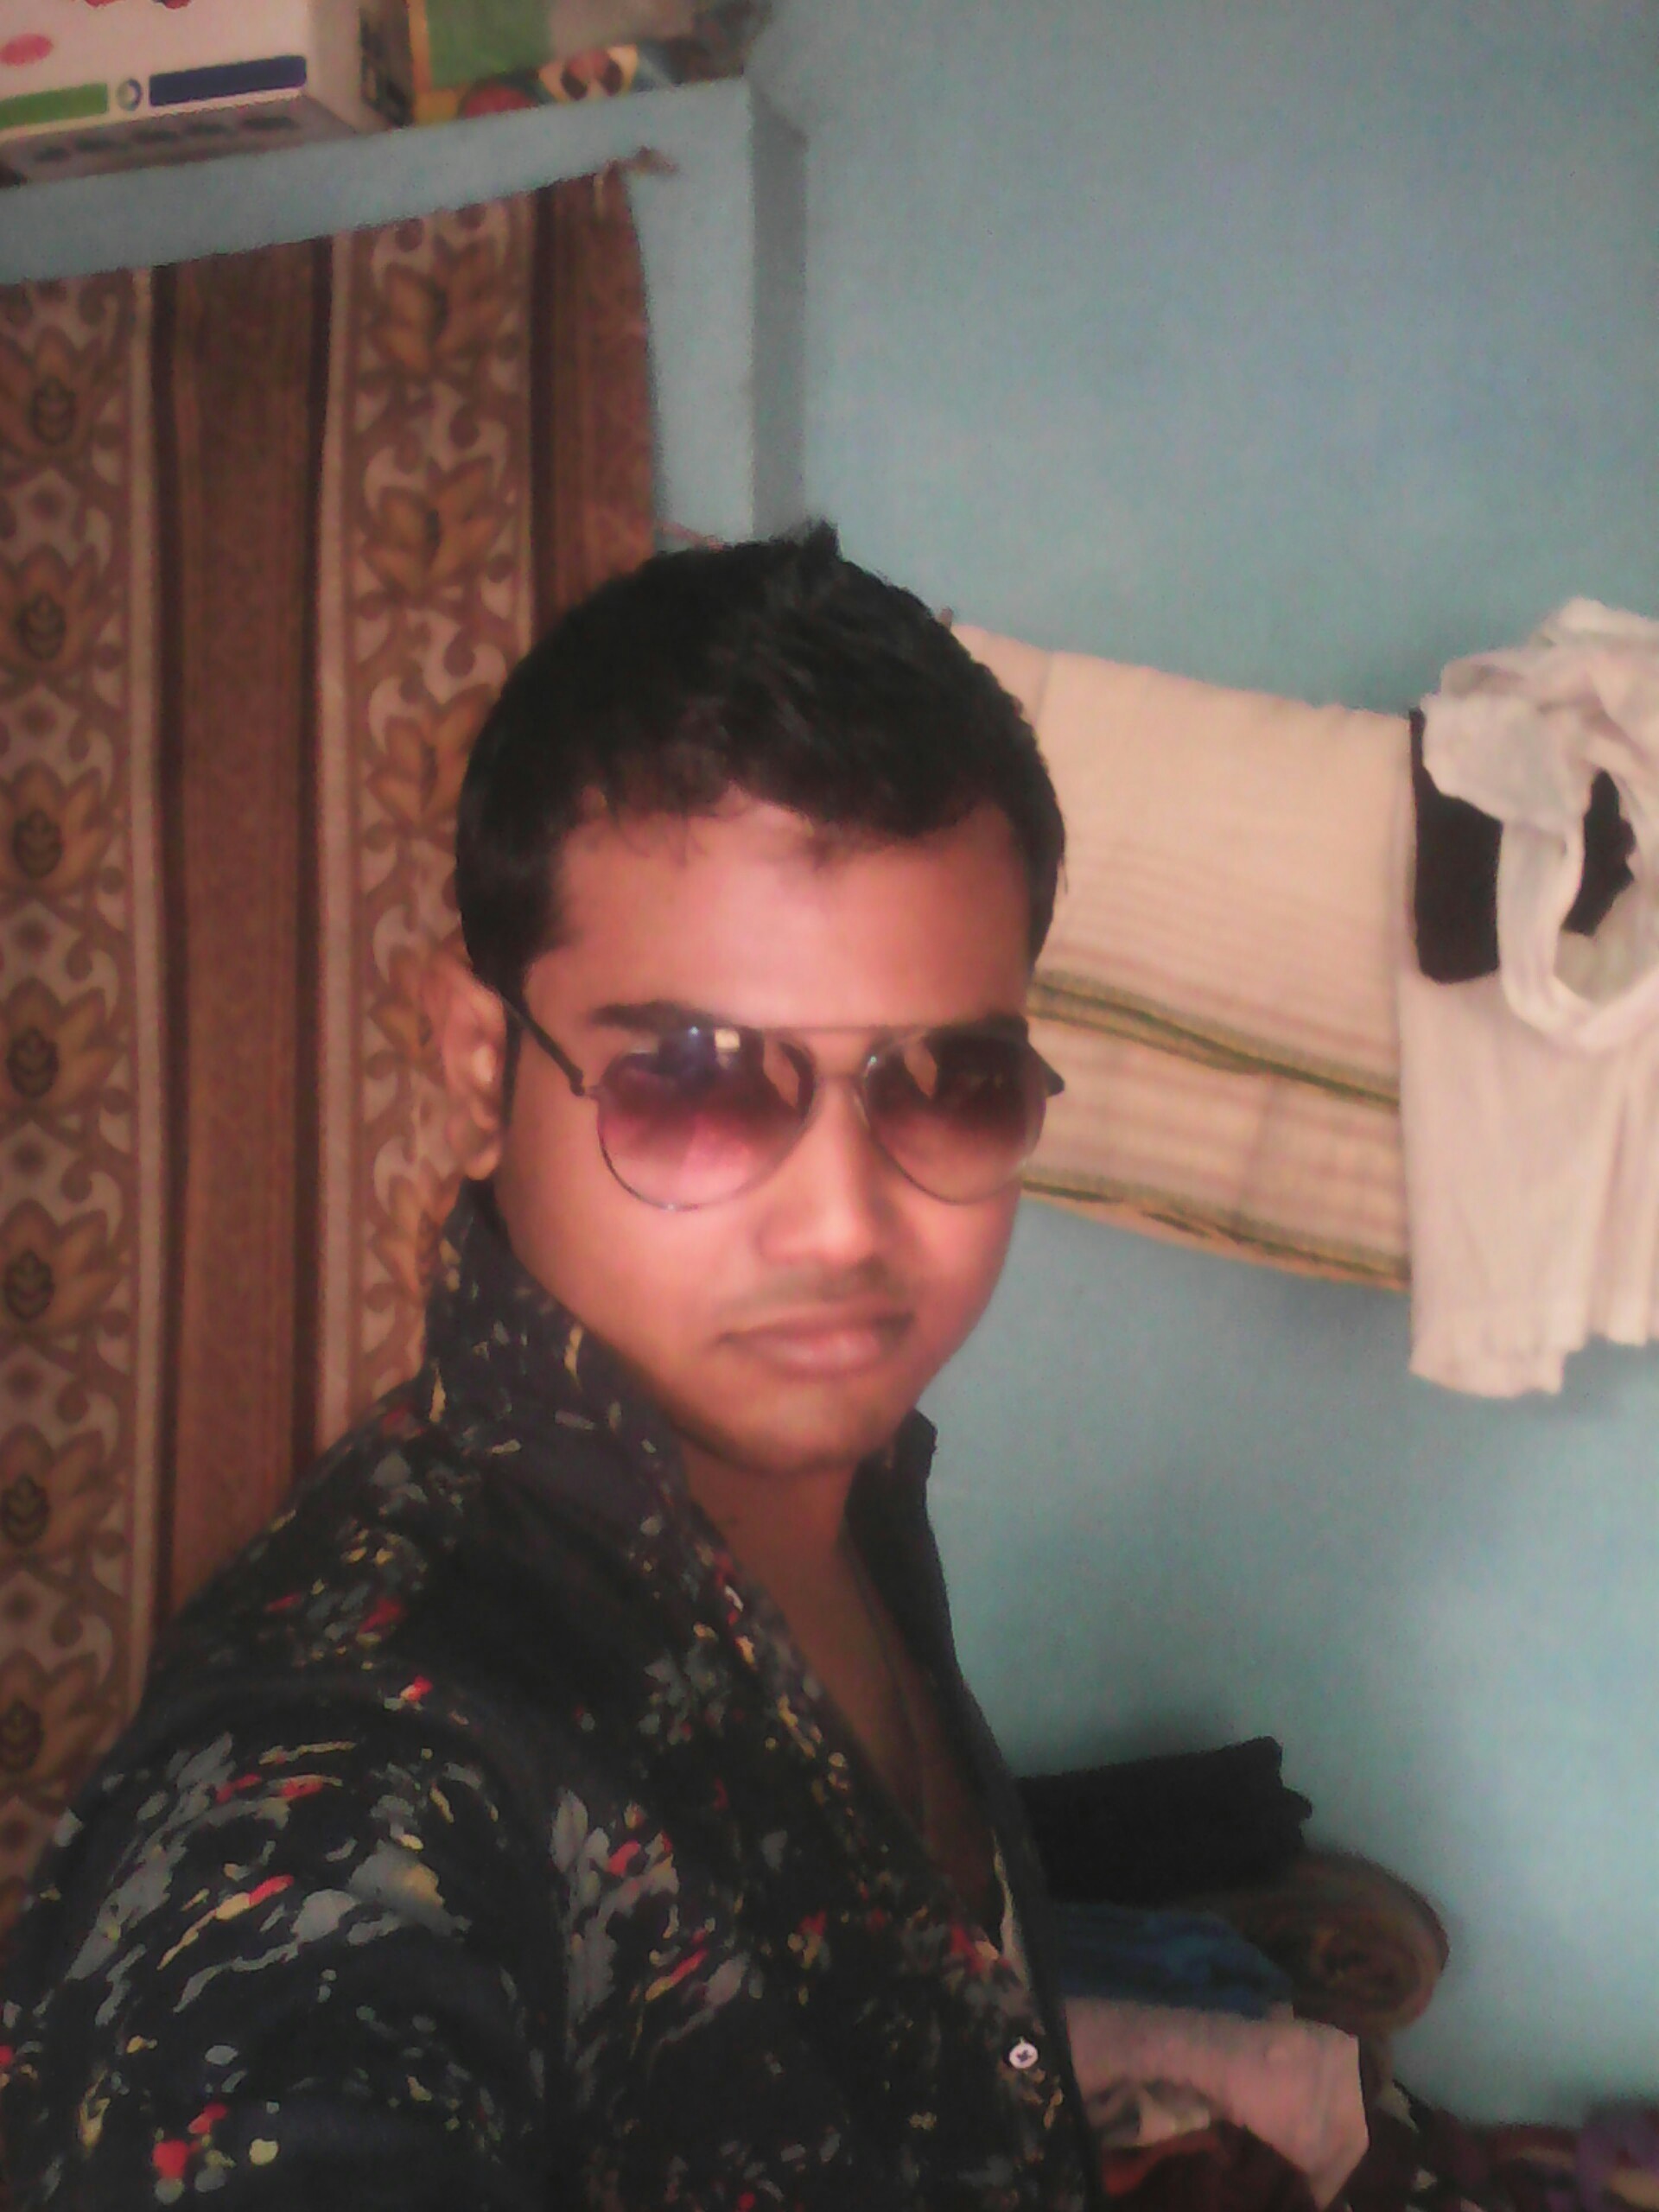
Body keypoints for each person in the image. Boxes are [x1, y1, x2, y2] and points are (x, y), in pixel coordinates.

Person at [0, 525, 1100, 2209]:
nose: (845, 1222)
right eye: (697, 1080)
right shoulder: (343, 1754)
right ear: (477, 1065)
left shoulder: (846, 1497)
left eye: (949, 1083)